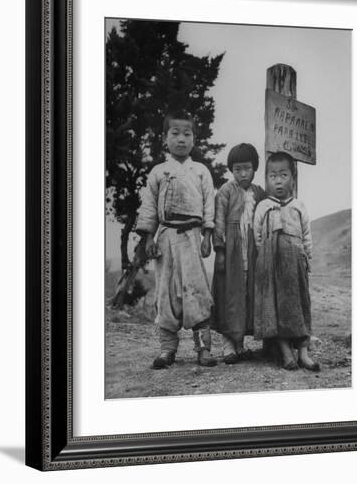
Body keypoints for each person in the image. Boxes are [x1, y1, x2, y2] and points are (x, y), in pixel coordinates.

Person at [135, 112, 218, 369]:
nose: (181, 139)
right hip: (166, 239)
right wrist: (148, 237)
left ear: (194, 139)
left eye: (187, 134)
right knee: (165, 293)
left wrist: (208, 234)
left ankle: (203, 348)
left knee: (197, 291)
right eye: (175, 133)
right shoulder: (158, 172)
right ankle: (167, 349)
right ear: (164, 138)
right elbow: (148, 207)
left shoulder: (201, 171)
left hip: (193, 238)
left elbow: (208, 205)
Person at [253, 152, 320, 371]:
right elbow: (257, 235)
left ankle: (303, 353)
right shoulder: (263, 206)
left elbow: (306, 234)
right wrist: (264, 258)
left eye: (283, 175)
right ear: (266, 178)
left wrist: (306, 256)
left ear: (293, 177)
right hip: (271, 265)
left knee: (299, 305)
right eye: (273, 176)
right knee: (276, 308)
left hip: (295, 263)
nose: (278, 180)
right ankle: (286, 354)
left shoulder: (299, 206)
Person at [211, 143, 265, 364]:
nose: (243, 174)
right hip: (231, 252)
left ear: (255, 168)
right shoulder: (225, 191)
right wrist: (221, 251)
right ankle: (227, 345)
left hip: (251, 253)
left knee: (246, 295)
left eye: (247, 168)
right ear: (231, 170)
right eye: (237, 169)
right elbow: (218, 222)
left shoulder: (259, 193)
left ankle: (240, 345)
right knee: (229, 295)